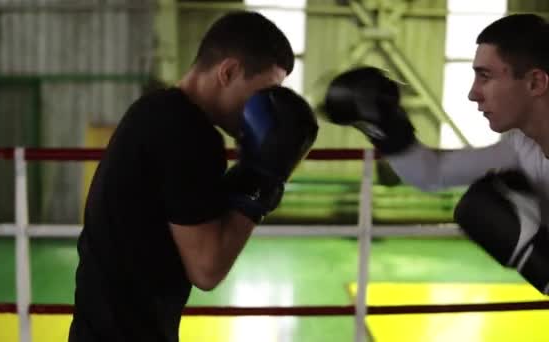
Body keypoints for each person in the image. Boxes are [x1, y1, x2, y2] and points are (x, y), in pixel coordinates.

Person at [69, 11, 319, 342]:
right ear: (228, 72)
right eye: (266, 91)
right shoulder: (189, 133)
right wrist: (264, 181)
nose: (269, 105)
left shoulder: (156, 109)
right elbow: (207, 268)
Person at [322, 14, 549, 294]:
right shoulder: (522, 148)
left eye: (485, 76)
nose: (473, 93)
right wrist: (386, 127)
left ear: (535, 83)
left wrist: (538, 260)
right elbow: (432, 173)